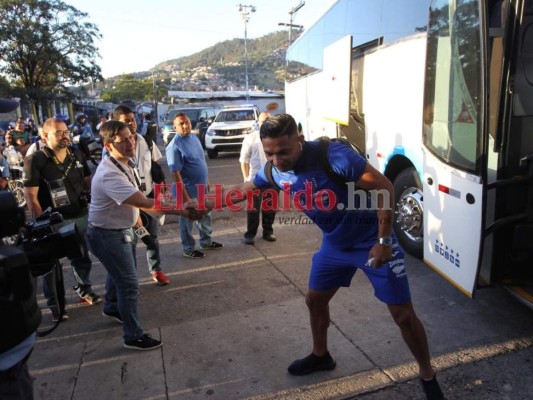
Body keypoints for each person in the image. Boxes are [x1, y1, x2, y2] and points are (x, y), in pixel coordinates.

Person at [202, 114, 444, 400]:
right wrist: (199, 204)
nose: (277, 159)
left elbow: (385, 188)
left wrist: (385, 240)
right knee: (315, 300)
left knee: (403, 315)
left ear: (299, 141)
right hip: (335, 245)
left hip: (371, 239)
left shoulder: (334, 156)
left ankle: (427, 374)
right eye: (269, 153)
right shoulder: (273, 171)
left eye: (283, 152)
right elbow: (243, 190)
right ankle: (321, 355)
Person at [86, 120, 201, 350]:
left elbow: (140, 198)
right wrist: (183, 211)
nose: (130, 142)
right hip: (107, 235)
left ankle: (111, 306)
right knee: (128, 284)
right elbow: (145, 202)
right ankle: (133, 335)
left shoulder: (125, 163)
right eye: (123, 140)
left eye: (131, 137)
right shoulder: (109, 174)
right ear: (108, 146)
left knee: (117, 273)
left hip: (121, 229)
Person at [23, 117, 101, 321]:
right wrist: (42, 224)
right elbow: (30, 195)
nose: (65, 135)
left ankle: (84, 289)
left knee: (82, 258)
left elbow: (86, 181)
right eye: (59, 132)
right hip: (54, 221)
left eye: (66, 131)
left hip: (80, 215)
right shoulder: (36, 159)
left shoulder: (76, 153)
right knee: (52, 266)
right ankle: (56, 305)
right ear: (45, 136)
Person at [112, 105, 170, 285]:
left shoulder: (146, 141)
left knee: (152, 238)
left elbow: (156, 169)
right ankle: (132, 279)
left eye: (132, 119)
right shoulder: (113, 147)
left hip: (148, 197)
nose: (131, 123)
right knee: (130, 242)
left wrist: (162, 191)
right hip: (129, 200)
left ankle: (156, 271)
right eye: (126, 120)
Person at [166, 113, 223, 259]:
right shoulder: (174, 146)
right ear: (175, 127)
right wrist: (185, 198)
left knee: (205, 215)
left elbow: (200, 161)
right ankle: (188, 248)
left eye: (186, 122)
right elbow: (175, 174)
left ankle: (206, 241)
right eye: (181, 124)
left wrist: (207, 180)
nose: (185, 126)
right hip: (186, 190)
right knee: (187, 220)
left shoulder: (194, 138)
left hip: (201, 187)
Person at [239, 112, 276, 244]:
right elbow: (244, 160)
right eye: (263, 121)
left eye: (269, 120)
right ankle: (250, 235)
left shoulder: (276, 139)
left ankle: (268, 232)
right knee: (253, 210)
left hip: (273, 179)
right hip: (254, 180)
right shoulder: (251, 138)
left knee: (270, 209)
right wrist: (246, 179)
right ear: (258, 123)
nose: (266, 123)